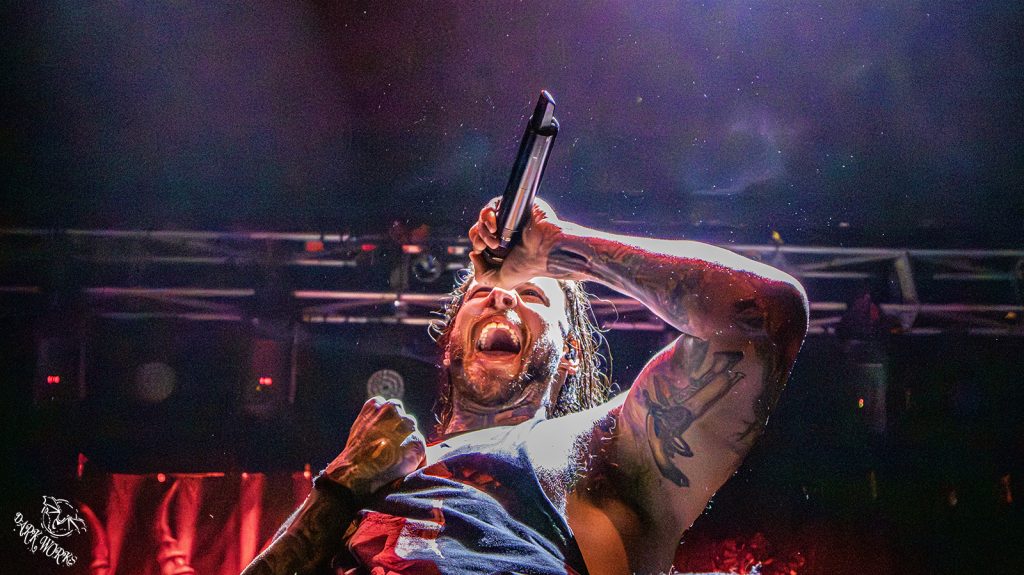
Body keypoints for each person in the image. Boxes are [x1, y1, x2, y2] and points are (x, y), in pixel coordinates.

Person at [241, 198, 809, 575]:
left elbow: (767, 313)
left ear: (569, 354)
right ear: (450, 340)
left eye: (533, 293)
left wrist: (559, 249)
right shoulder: (375, 469)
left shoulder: (602, 447)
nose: (501, 294)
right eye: (479, 294)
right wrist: (341, 485)